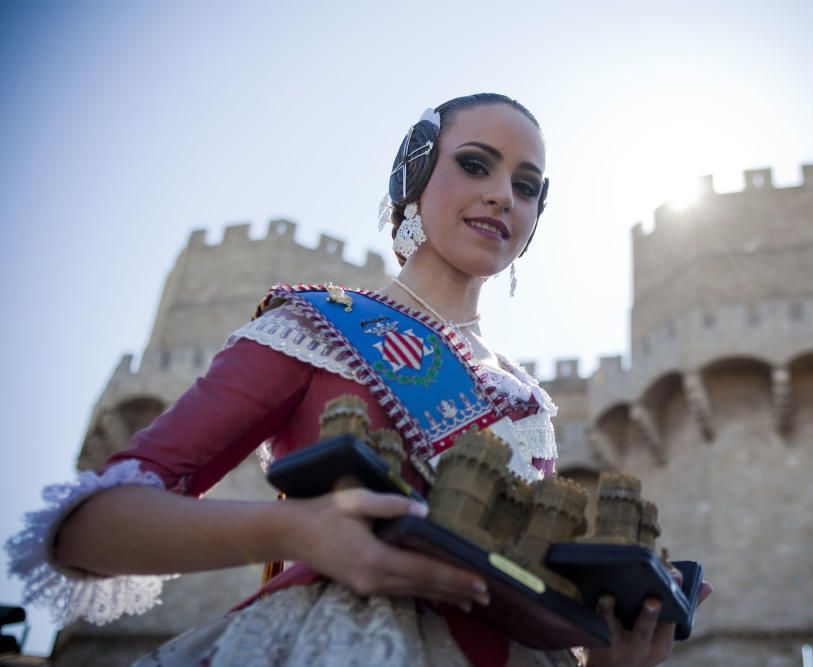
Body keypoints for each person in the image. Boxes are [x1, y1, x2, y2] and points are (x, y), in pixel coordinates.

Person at [6, 93, 710, 666]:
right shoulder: (317, 327)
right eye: (475, 165)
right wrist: (297, 529)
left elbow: (513, 595)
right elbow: (84, 532)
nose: (502, 195)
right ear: (415, 175)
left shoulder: (529, 406)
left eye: (526, 186)